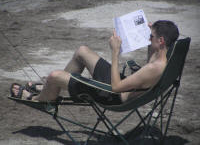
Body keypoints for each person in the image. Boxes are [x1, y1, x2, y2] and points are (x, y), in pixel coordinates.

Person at [10, 20, 179, 105]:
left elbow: (115, 87)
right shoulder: (163, 58)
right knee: (82, 51)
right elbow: (150, 60)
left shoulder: (153, 68)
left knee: (54, 76)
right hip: (120, 85)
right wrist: (149, 36)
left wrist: (115, 52)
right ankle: (50, 88)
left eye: (151, 37)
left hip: (111, 94)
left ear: (161, 40)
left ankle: (38, 98)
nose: (149, 39)